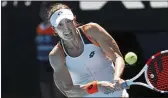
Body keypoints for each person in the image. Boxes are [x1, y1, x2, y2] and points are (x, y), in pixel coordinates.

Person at [48, 3, 129, 97]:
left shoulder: (92, 31)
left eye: (68, 21)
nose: (66, 28)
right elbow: (69, 91)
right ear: (54, 29)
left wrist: (117, 77)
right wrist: (96, 86)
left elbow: (117, 57)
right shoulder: (56, 56)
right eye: (60, 25)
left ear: (74, 20)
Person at [35, 2, 65, 98]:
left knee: (57, 84)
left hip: (55, 61)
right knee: (44, 83)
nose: (44, 13)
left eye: (47, 11)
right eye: (42, 11)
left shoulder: (55, 26)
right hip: (42, 61)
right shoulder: (39, 28)